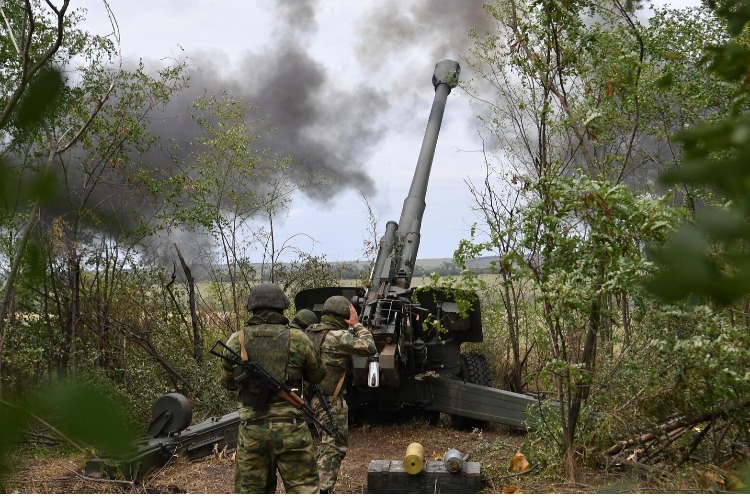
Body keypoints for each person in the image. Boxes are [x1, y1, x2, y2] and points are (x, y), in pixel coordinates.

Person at [220, 283, 326, 494]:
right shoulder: (299, 339)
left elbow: (229, 383)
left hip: (252, 432)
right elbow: (317, 375)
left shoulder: (236, 340)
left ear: (252, 308)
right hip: (291, 429)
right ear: (282, 307)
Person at [305, 295, 376, 494]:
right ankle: (323, 490)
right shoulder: (337, 336)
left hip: (310, 397)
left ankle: (318, 487)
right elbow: (369, 347)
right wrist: (357, 324)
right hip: (329, 400)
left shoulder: (310, 333)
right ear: (342, 317)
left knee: (325, 443)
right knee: (334, 445)